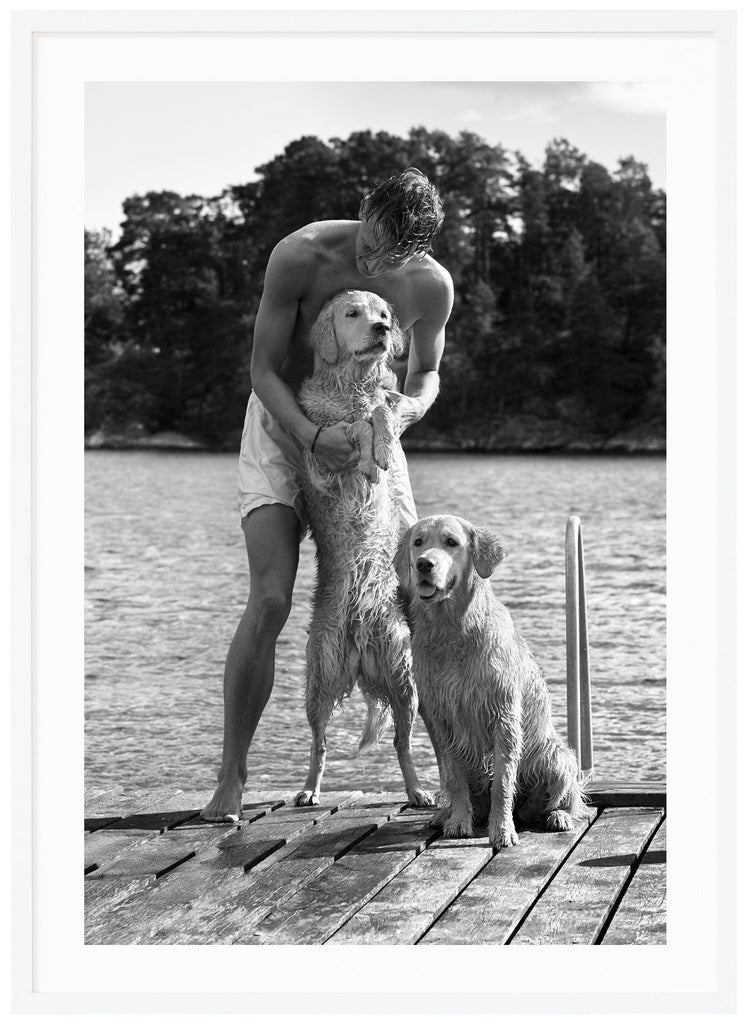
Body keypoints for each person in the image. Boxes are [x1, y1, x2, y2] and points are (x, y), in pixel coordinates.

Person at [201, 167, 454, 821]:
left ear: (416, 249)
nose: (373, 260)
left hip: (372, 429)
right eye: (371, 239)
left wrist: (403, 416)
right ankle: (231, 776)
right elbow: (261, 368)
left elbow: (424, 371)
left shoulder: (430, 285)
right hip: (283, 424)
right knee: (271, 597)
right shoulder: (301, 252)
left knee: (415, 596)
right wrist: (312, 436)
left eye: (392, 253)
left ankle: (446, 773)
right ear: (364, 205)